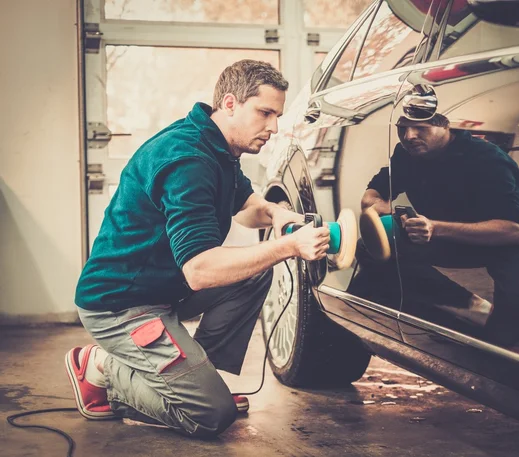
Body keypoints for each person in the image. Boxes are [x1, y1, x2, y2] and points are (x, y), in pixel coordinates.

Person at [66, 60, 330, 437]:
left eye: (277, 115)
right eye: (265, 113)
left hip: (161, 291)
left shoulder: (217, 144)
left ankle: (201, 381)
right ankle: (102, 368)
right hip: (120, 305)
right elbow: (200, 270)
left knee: (253, 274)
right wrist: (288, 246)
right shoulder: (188, 160)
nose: (273, 127)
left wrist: (276, 213)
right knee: (210, 415)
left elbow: (246, 209)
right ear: (229, 104)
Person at [360, 113, 519, 347]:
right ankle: (472, 307)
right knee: (369, 248)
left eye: (419, 128)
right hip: (454, 238)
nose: (408, 136)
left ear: (446, 125)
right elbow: (373, 193)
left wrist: (435, 228)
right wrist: (376, 204)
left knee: (517, 340)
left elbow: (512, 232)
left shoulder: (487, 159)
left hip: (517, 244)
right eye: (402, 128)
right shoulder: (406, 153)